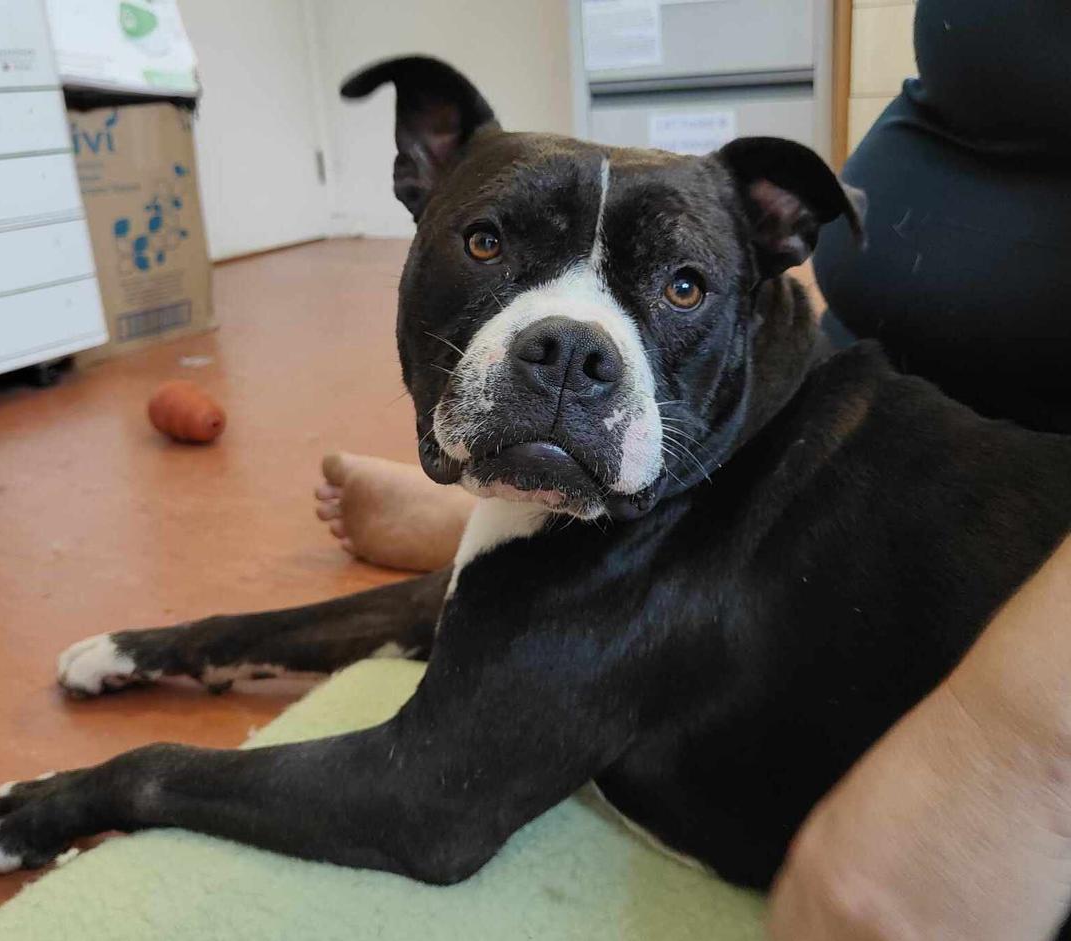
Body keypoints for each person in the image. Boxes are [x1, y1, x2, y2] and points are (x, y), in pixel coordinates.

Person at [315, 1, 1071, 935]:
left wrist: (1026, 740)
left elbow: (425, 809)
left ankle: (501, 516)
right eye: (488, 243)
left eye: (679, 283)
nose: (573, 351)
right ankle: (508, 510)